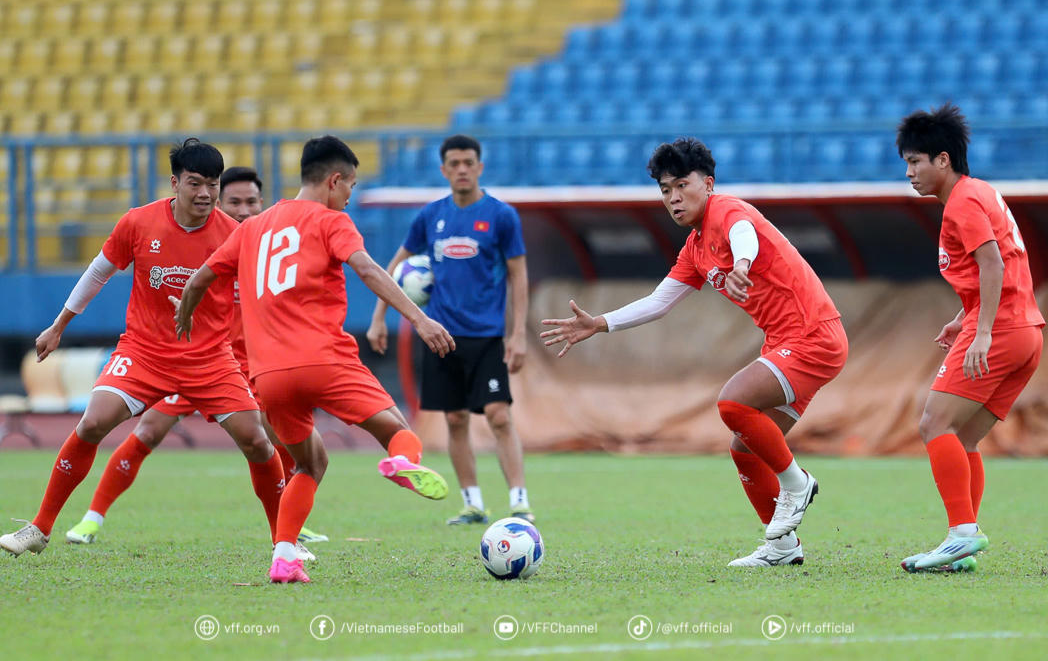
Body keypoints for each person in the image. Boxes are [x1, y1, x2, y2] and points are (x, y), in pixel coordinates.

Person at [540, 137, 848, 567]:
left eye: (681, 185)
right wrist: (600, 323)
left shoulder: (726, 211)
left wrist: (742, 264)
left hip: (812, 337)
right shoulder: (696, 248)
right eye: (665, 190)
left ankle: (796, 485)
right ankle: (782, 548)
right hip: (790, 343)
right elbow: (659, 301)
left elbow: (744, 233)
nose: (673, 197)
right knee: (744, 448)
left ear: (708, 183)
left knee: (732, 402)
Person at [174, 135, 455, 584]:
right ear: (335, 180)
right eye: (351, 187)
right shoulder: (330, 221)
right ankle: (403, 463)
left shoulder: (252, 227)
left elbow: (201, 276)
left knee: (309, 464)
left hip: (267, 376)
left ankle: (284, 558)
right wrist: (419, 319)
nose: (350, 197)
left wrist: (185, 313)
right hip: (324, 360)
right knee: (398, 431)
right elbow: (366, 268)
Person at [1, 140, 285, 559]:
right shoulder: (138, 222)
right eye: (195, 183)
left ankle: (285, 542)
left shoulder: (236, 235)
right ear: (175, 182)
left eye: (212, 184)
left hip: (209, 359)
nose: (205, 194)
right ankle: (40, 527)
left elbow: (262, 292)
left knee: (258, 442)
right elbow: (98, 272)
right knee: (93, 423)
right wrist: (59, 325)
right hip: (145, 353)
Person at [63, 167, 327, 552]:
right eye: (234, 201)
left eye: (252, 202)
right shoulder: (210, 240)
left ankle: (289, 529)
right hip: (190, 359)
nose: (244, 209)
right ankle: (92, 517)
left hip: (243, 368)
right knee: (148, 432)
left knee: (273, 440)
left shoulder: (259, 252)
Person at [897, 104, 1044, 573]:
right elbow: (1001, 265)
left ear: (944, 159)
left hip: (1000, 331)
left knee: (933, 424)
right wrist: (964, 317)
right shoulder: (980, 193)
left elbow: (994, 264)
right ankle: (963, 542)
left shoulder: (962, 202)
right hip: (1025, 331)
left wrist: (981, 332)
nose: (910, 172)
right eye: (906, 162)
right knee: (963, 437)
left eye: (916, 161)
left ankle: (961, 534)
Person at [367, 134, 533, 526]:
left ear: (480, 167)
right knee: (455, 419)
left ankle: (520, 499)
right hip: (440, 337)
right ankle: (473, 502)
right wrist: (378, 317)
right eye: (454, 163)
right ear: (443, 170)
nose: (461, 169)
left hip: (487, 336)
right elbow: (392, 265)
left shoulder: (501, 216)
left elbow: (518, 274)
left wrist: (518, 333)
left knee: (499, 415)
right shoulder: (430, 217)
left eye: (468, 162)